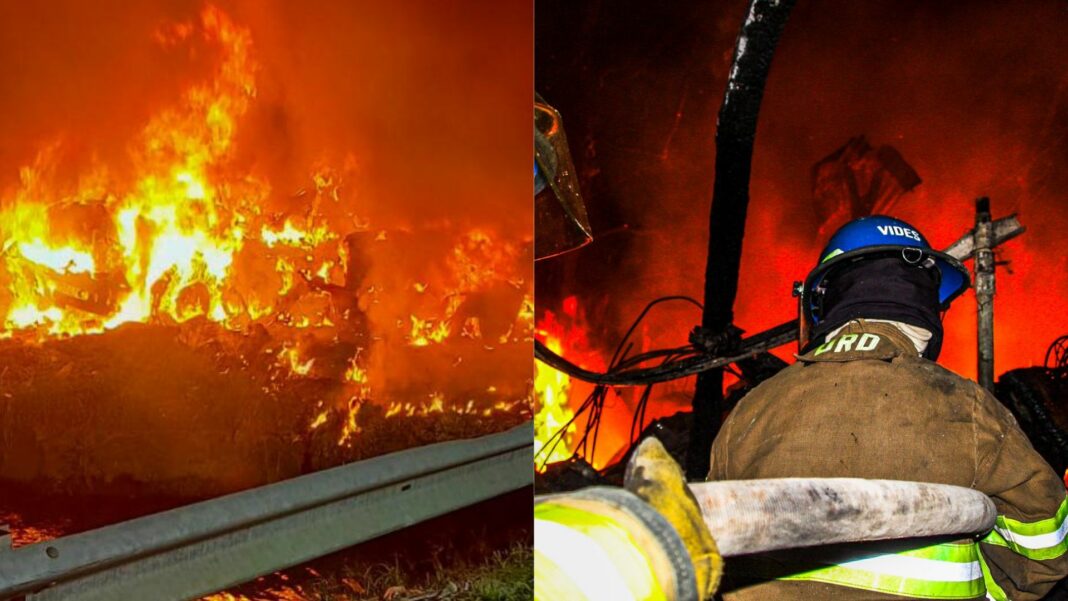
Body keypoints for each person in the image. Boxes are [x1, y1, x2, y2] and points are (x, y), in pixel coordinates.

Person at [708, 215, 1068, 600]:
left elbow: (709, 545)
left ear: (820, 305)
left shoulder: (750, 411)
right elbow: (1045, 549)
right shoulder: (968, 406)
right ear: (929, 313)